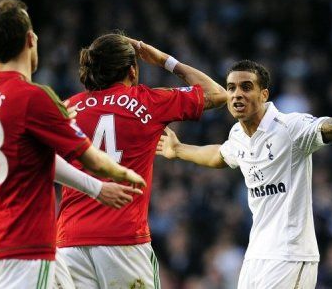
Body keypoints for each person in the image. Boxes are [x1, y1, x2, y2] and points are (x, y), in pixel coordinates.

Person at [156, 60, 332, 289]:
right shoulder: (237, 135)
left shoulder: (290, 128)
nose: (236, 94)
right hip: (256, 256)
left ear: (263, 94)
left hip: (290, 255)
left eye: (246, 87)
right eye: (231, 88)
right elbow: (221, 155)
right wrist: (179, 150)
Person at [0, 0, 143, 289]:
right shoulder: (27, 95)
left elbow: (28, 154)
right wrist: (122, 174)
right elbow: (89, 157)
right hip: (23, 239)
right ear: (31, 39)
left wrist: (96, 189)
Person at [55, 33, 227, 288]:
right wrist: (164, 60)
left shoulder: (68, 107)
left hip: (69, 242)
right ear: (132, 70)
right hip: (124, 240)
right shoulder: (148, 101)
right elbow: (218, 94)